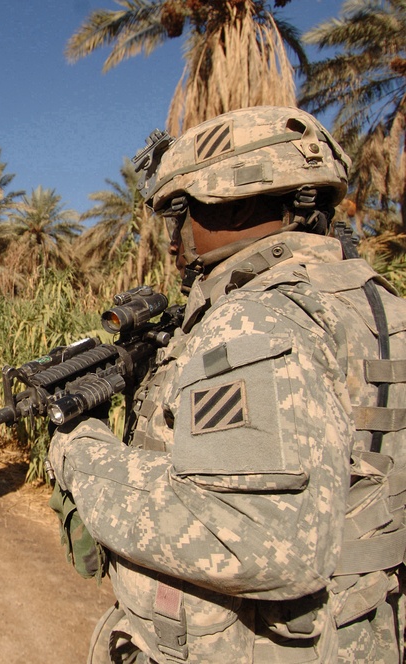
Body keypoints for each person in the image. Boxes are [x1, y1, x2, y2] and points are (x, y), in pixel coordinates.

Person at [48, 107, 406, 662]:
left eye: (180, 215)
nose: (173, 242)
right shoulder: (378, 305)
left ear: (229, 202)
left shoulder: (255, 319)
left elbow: (247, 537)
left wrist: (79, 450)